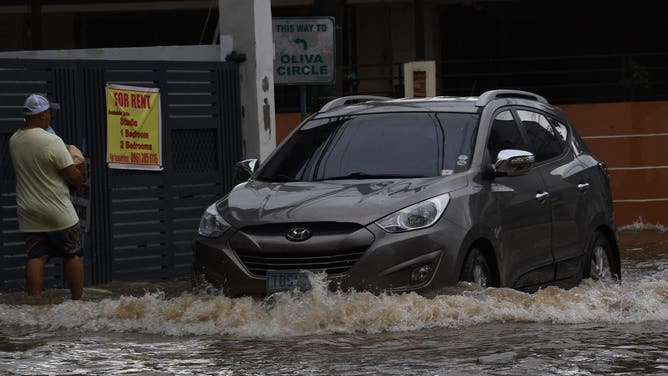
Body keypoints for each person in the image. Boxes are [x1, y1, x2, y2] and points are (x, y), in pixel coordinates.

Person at [9, 94, 85, 300]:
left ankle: (34, 305)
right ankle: (78, 303)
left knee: (36, 256)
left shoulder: (14, 139)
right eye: (49, 112)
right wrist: (80, 169)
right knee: (73, 254)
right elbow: (72, 176)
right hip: (58, 210)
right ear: (42, 115)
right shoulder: (52, 140)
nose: (51, 115)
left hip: (29, 211)